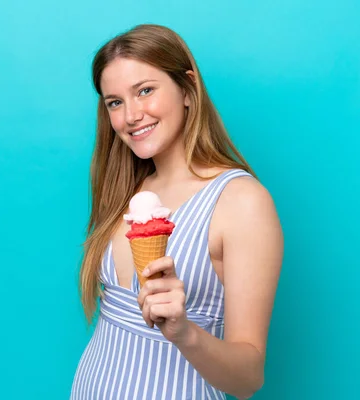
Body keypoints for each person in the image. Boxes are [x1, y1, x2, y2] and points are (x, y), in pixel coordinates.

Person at [70, 24, 283, 400]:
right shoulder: (128, 193)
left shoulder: (241, 201)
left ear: (187, 89)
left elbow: (248, 379)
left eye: (145, 91)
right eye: (115, 102)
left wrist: (183, 332)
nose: (131, 115)